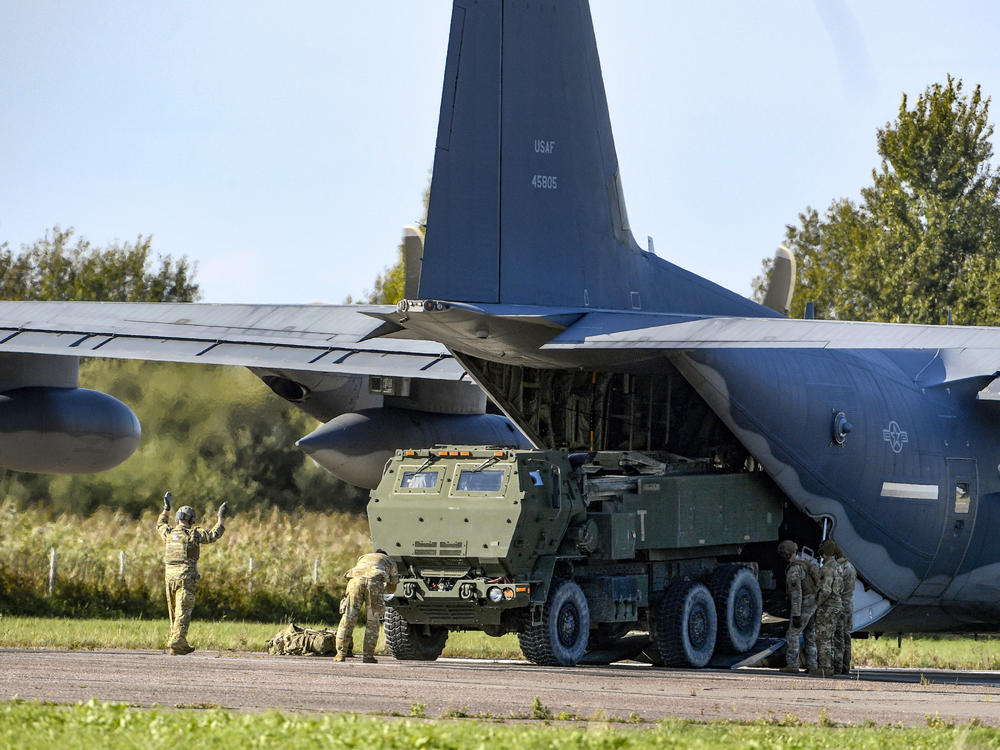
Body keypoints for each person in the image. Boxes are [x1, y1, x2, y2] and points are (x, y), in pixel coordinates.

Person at [156, 491, 229, 655]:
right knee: (183, 611)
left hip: (169, 577)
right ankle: (177, 641)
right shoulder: (193, 534)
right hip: (186, 577)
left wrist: (166, 509)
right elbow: (213, 534)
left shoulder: (169, 533)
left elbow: (160, 524)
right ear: (191, 520)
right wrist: (221, 517)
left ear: (177, 518)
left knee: (174, 612)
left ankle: (176, 642)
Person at [334, 549, 399, 663]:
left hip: (355, 582)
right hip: (374, 583)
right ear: (385, 555)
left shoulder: (363, 557)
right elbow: (393, 585)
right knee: (373, 621)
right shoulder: (389, 560)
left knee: (348, 618)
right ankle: (368, 656)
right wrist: (386, 591)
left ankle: (340, 654)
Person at [776, 539, 819, 674]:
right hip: (814, 602)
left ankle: (793, 665)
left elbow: (796, 594)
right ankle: (812, 665)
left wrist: (796, 614)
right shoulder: (805, 563)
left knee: (793, 634)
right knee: (809, 634)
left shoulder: (794, 569)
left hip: (805, 603)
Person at [815, 539, 844, 677]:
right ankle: (833, 666)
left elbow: (825, 590)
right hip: (837, 604)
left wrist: (817, 604)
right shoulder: (838, 567)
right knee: (831, 637)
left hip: (828, 606)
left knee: (823, 637)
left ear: (824, 553)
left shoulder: (827, 568)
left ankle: (825, 668)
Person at [834, 543, 857, 674]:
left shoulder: (840, 568)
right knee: (847, 636)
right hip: (849, 603)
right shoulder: (852, 567)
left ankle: (837, 665)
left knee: (838, 636)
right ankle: (846, 665)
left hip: (841, 604)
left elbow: (837, 588)